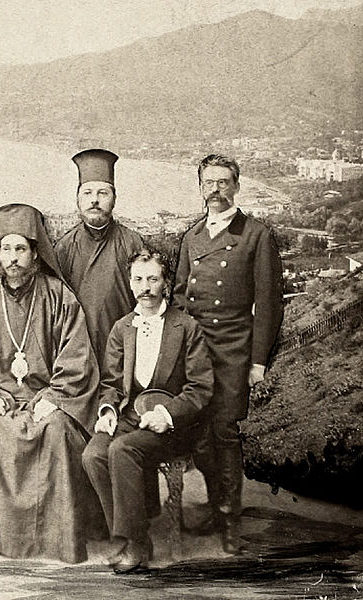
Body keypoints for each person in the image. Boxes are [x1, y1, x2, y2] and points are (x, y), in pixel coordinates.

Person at [0, 203, 99, 564]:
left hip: (47, 397)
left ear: (35, 253)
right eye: (6, 249)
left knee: (57, 428)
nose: (13, 258)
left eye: (21, 249)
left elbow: (76, 354)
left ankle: (56, 540)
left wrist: (55, 396)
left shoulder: (60, 296)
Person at [173, 154, 284, 554]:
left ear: (236, 186)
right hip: (195, 351)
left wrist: (258, 361)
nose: (215, 190)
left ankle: (230, 517)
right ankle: (216, 505)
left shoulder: (256, 235)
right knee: (199, 436)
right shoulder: (191, 236)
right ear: (200, 187)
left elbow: (268, 304)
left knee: (224, 432)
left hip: (233, 350)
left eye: (223, 182)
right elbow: (180, 295)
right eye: (209, 182)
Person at [82, 248, 213, 572]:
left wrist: (167, 415)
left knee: (122, 450)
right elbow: (111, 383)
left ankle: (136, 545)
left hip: (174, 425)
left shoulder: (186, 327)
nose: (146, 287)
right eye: (138, 279)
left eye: (153, 279)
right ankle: (127, 534)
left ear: (165, 283)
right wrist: (108, 411)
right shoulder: (122, 328)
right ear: (129, 283)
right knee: (93, 455)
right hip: (130, 417)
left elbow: (200, 387)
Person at [55, 149, 144, 368]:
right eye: (87, 193)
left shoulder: (132, 243)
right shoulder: (64, 248)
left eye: (103, 193)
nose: (94, 200)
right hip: (77, 353)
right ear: (77, 199)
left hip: (124, 350)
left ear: (114, 199)